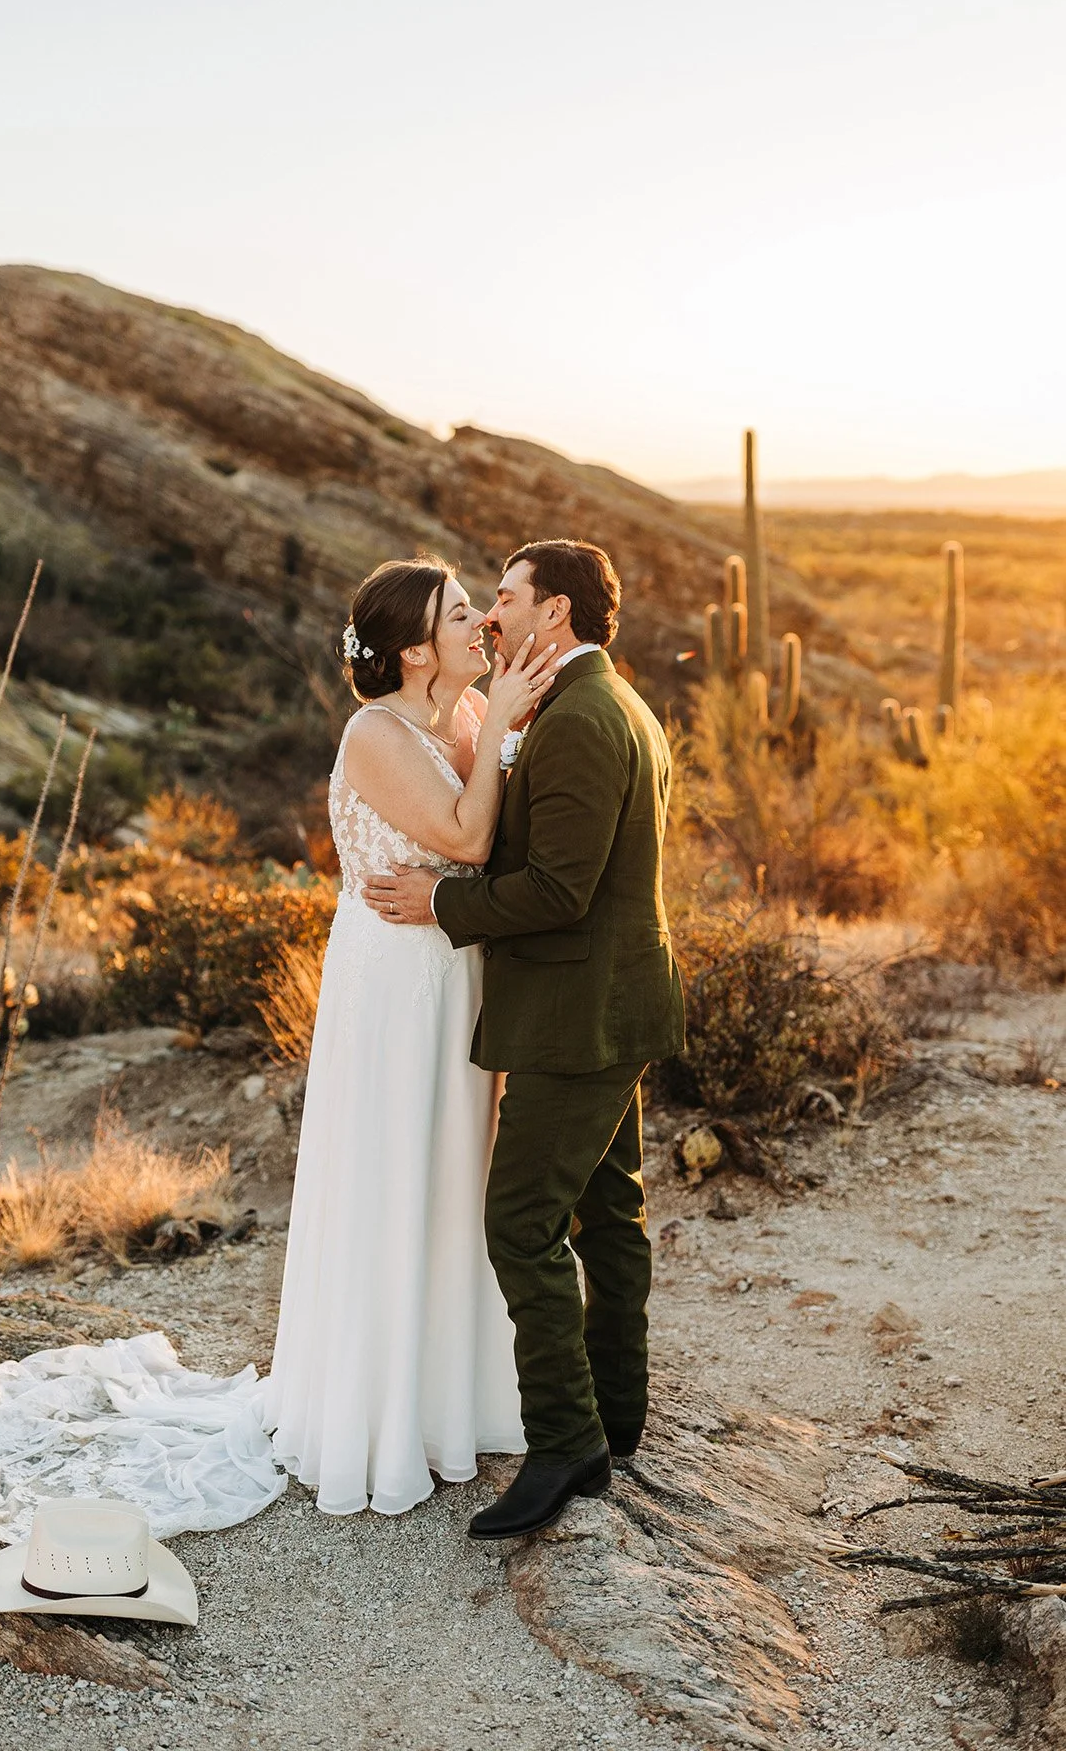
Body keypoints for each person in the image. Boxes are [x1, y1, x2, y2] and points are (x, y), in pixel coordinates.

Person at [363, 540, 685, 1540]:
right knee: (607, 1207)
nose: (491, 616)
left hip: (575, 1018)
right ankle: (616, 1415)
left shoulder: (586, 718)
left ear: (553, 612)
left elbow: (559, 890)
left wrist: (440, 898)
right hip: (603, 1005)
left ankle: (564, 1442)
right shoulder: (606, 701)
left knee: (521, 1223)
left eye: (502, 598)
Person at [262, 554, 559, 1515]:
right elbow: (468, 841)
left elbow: (490, 838)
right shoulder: (373, 733)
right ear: (411, 650)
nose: (480, 625)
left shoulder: (462, 717)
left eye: (479, 608)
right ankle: (376, 1418)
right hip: (392, 982)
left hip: (454, 971)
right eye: (461, 613)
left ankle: (448, 1400)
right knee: (395, 1170)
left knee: (454, 1177)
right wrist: (508, 716)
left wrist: (500, 721)